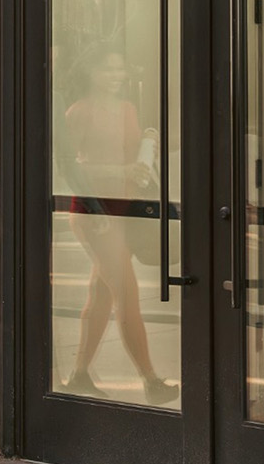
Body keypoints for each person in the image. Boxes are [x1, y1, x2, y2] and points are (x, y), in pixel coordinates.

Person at [60, 45, 180, 405]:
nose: (115, 76)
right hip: (95, 214)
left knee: (101, 295)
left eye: (119, 70)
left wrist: (148, 148)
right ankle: (151, 379)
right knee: (126, 294)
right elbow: (71, 169)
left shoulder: (128, 110)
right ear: (91, 73)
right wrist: (119, 174)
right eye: (107, 70)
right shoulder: (79, 112)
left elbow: (132, 161)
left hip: (126, 210)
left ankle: (79, 376)